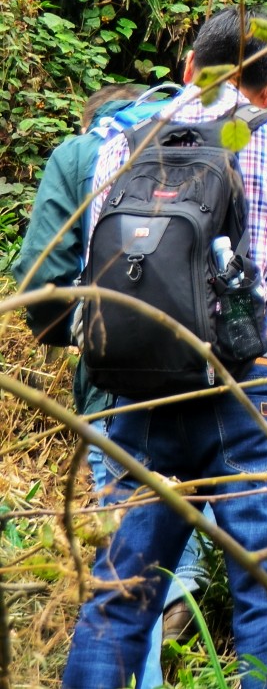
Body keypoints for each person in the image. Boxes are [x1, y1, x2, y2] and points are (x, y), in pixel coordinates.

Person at [63, 10, 267, 689]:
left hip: (140, 384)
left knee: (122, 591)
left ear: (189, 70)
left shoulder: (128, 140)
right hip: (246, 388)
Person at [15, 83, 211, 684]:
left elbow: (40, 279)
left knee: (129, 565)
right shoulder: (224, 140)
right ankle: (190, 598)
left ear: (95, 117)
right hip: (226, 389)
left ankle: (154, 647)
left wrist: (98, 331)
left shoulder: (80, 155)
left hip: (119, 390)